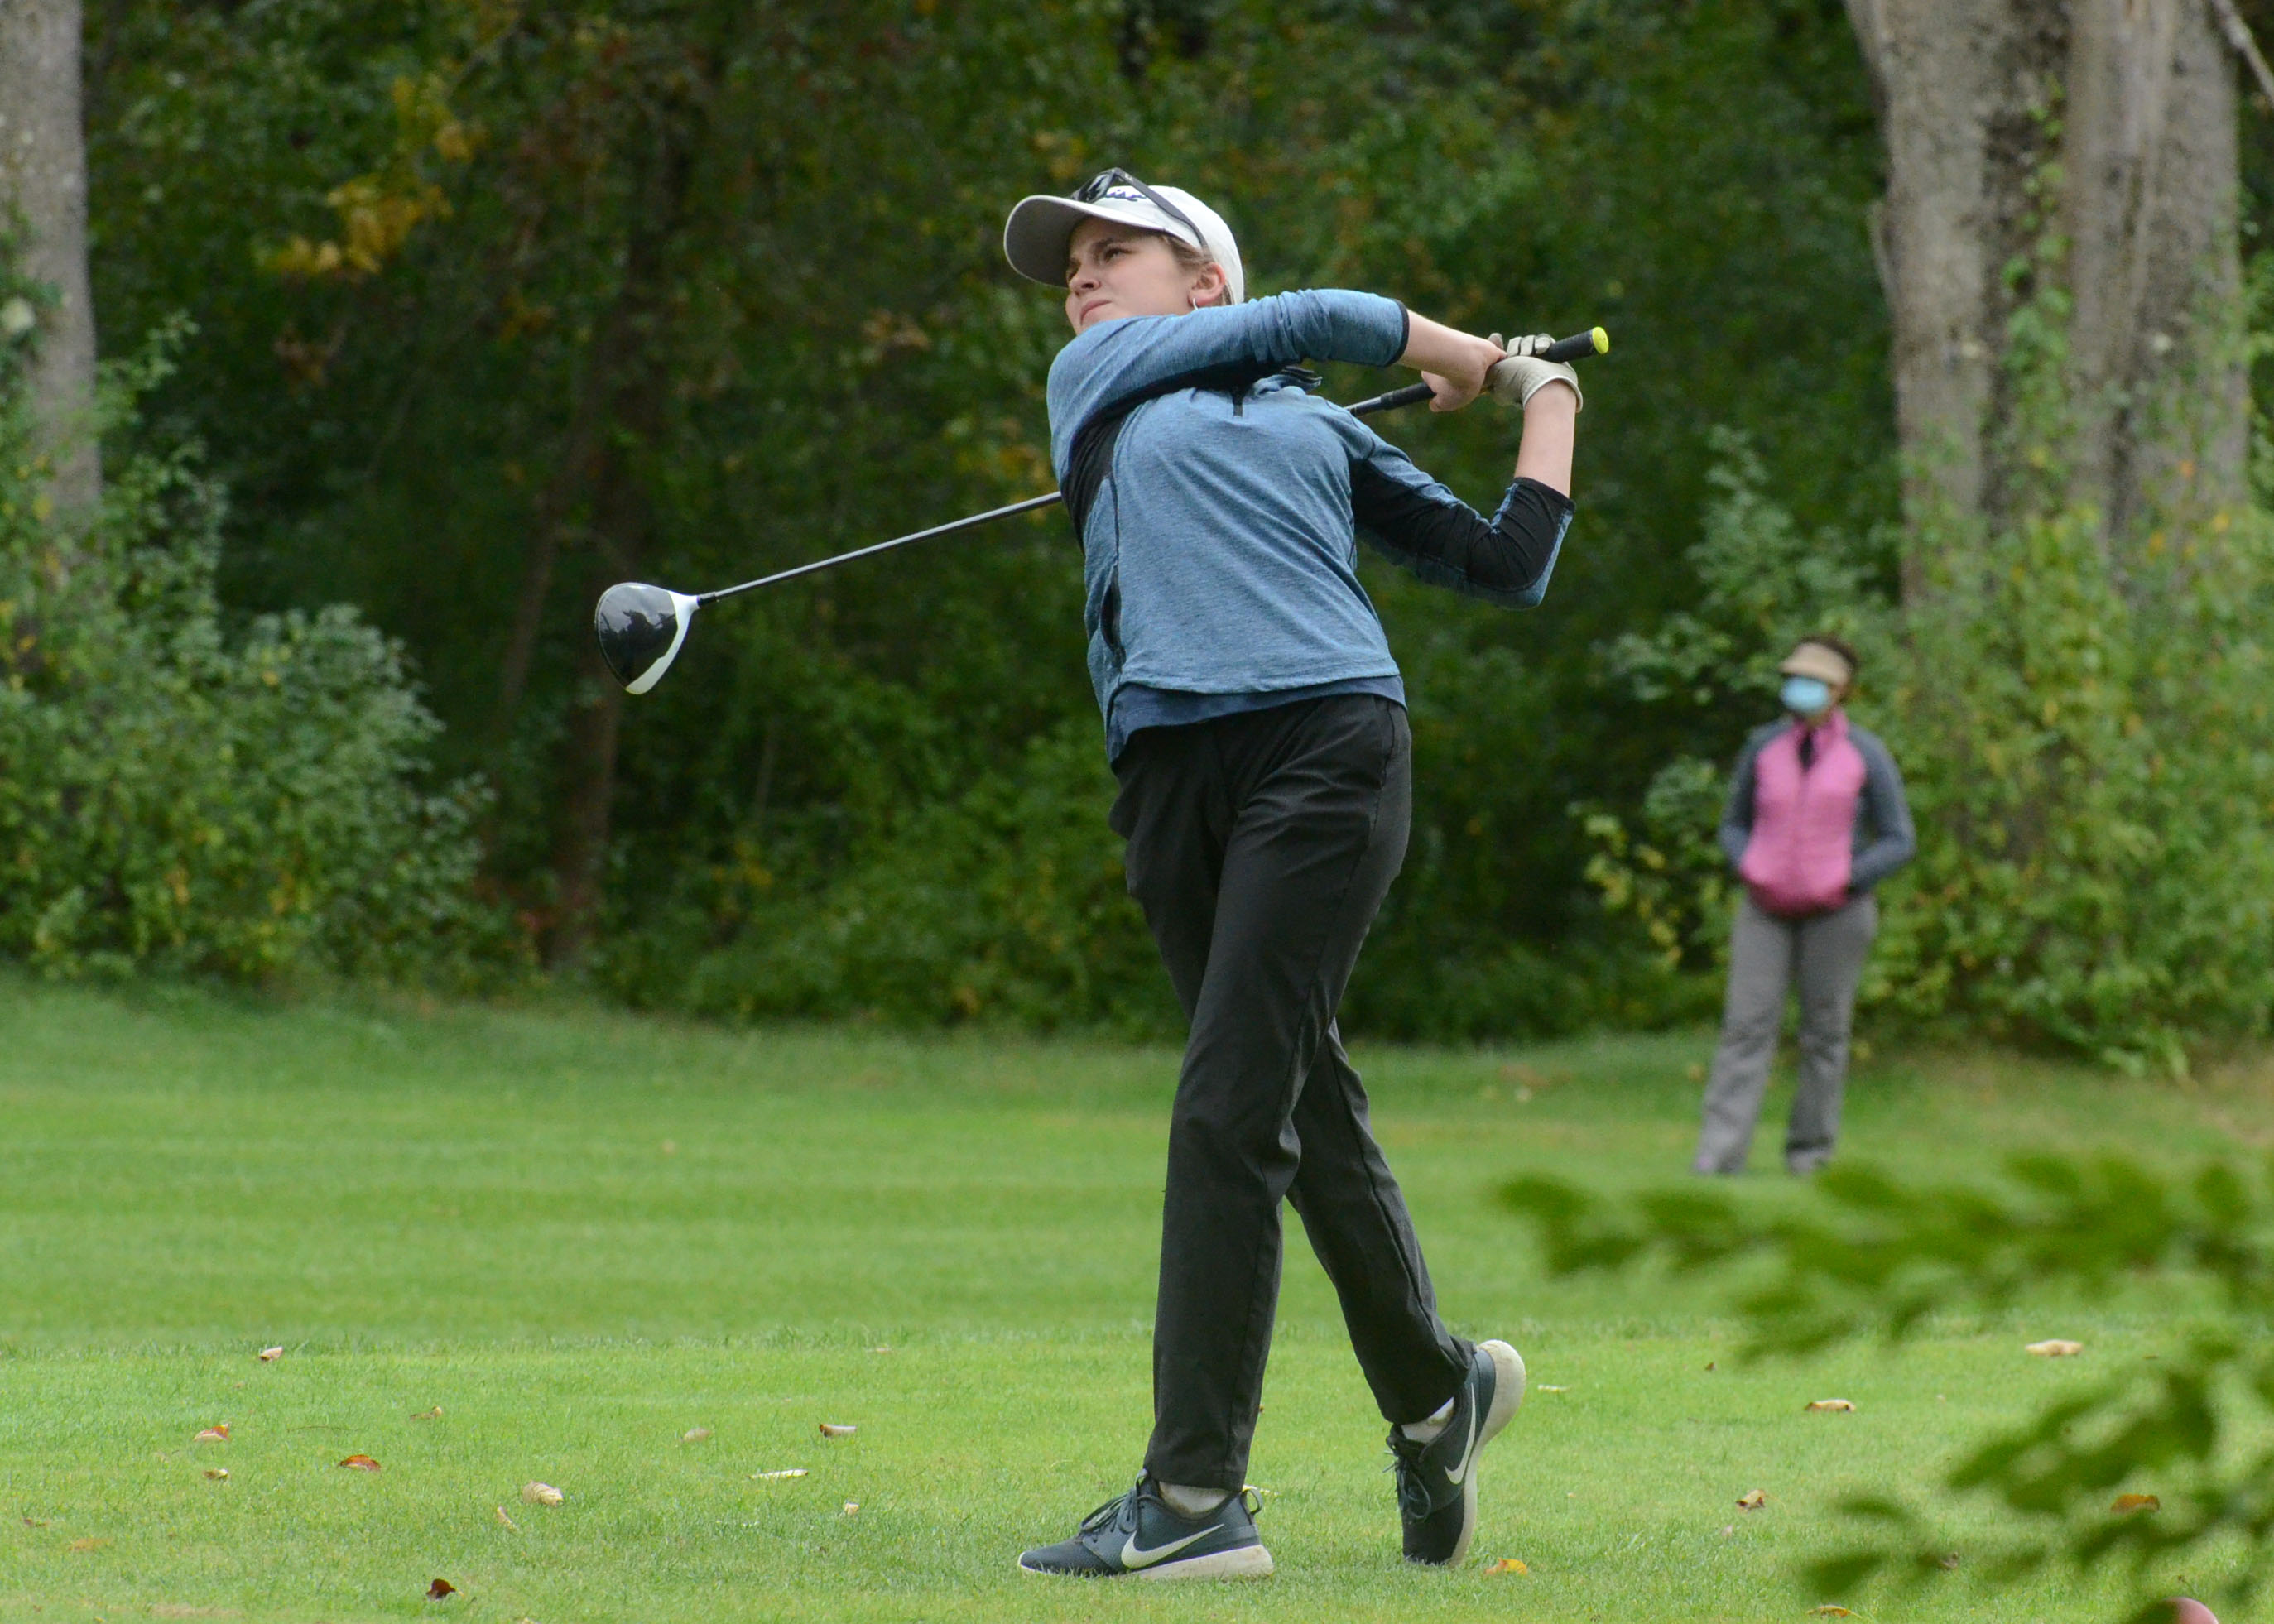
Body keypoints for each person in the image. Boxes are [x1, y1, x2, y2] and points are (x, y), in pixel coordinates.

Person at [998, 168, 1582, 1580]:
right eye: (1071, 264)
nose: (1080, 278)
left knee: (1228, 1107)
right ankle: (1437, 1393)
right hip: (1166, 770)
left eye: (1114, 251)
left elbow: (1502, 562)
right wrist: (1468, 355)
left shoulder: (1323, 426)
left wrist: (1545, 398)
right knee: (1290, 1094)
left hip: (1326, 749)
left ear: (1205, 280)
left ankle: (1193, 1495)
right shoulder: (1097, 382)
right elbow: (1318, 315)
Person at [1693, 636, 1916, 1177]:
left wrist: (1847, 878)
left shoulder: (1866, 753)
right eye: (1796, 678)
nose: (1801, 688)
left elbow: (1898, 839)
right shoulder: (1763, 747)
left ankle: (1809, 1155)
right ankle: (1719, 1157)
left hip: (1838, 914)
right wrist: (1750, 864)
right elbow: (1732, 824)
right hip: (1764, 909)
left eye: (1814, 680)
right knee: (1745, 1027)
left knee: (1825, 1035)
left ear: (1840, 690)